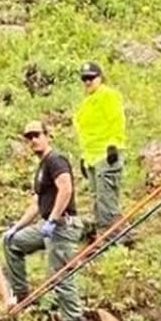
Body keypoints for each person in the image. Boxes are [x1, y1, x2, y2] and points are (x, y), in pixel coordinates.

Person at [2, 120, 84, 321]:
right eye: (28, 137)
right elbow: (37, 204)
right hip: (48, 224)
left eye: (36, 135)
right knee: (13, 243)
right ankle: (22, 296)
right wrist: (17, 227)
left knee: (60, 275)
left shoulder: (55, 160)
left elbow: (66, 188)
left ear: (47, 135)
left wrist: (54, 218)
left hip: (62, 225)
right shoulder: (41, 168)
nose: (33, 140)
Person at [72, 60, 127, 232]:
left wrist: (113, 144)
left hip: (106, 154)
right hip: (92, 157)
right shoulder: (86, 103)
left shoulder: (108, 95)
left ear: (100, 78)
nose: (88, 82)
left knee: (106, 198)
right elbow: (85, 132)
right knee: (96, 198)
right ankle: (104, 233)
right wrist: (83, 157)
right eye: (84, 79)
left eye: (91, 78)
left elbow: (116, 120)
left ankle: (112, 235)